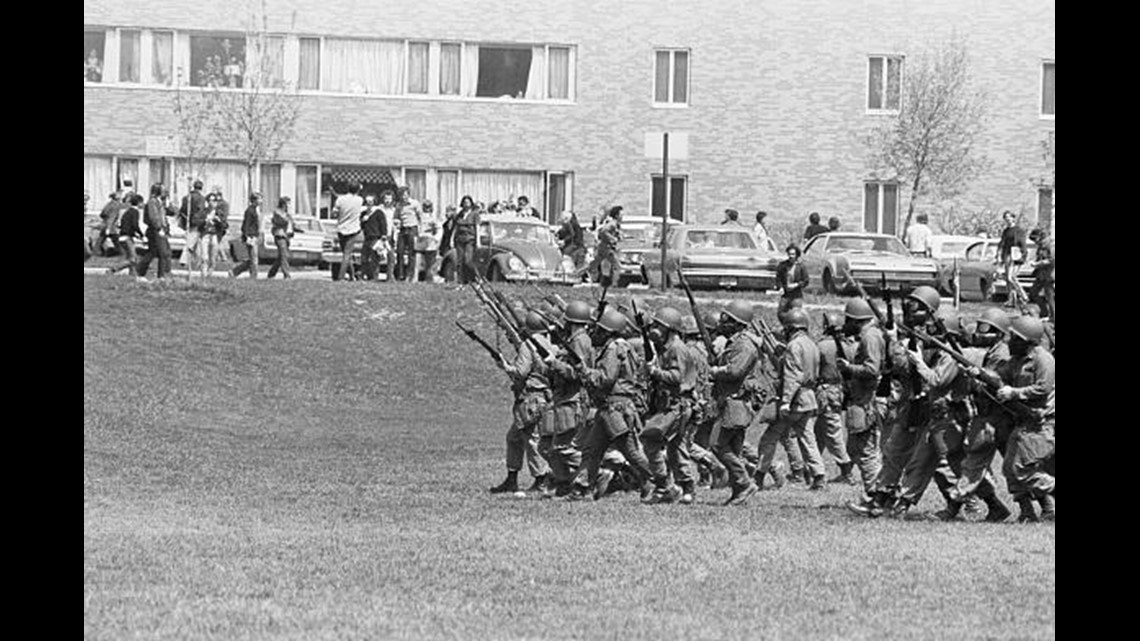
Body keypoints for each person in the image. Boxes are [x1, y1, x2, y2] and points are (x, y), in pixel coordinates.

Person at [564, 309, 655, 501]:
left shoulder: (613, 349)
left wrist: (583, 370)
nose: (595, 332)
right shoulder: (620, 346)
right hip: (608, 408)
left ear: (608, 331)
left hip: (616, 409)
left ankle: (659, 482)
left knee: (630, 452)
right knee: (591, 450)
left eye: (599, 329)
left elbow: (606, 379)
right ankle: (581, 489)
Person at [978, 316, 1055, 522]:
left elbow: (1043, 388)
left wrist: (1014, 393)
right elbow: (998, 376)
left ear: (1027, 341)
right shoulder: (1015, 360)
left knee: (1023, 471)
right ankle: (1028, 514)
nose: (1009, 341)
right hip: (1023, 423)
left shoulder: (1043, 359)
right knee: (1010, 470)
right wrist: (979, 373)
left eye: (1015, 338)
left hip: (1041, 423)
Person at [949, 308, 1014, 522]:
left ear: (998, 332)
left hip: (997, 418)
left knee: (1015, 468)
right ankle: (955, 506)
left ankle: (1044, 506)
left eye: (985, 329)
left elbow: (998, 382)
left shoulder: (1001, 353)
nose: (979, 333)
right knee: (977, 462)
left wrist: (980, 377)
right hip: (989, 417)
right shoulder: (993, 351)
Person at [755, 308, 827, 490]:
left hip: (795, 400)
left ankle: (758, 476)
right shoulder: (811, 344)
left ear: (790, 328)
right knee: (808, 440)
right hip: (809, 398)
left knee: (769, 438)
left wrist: (786, 401)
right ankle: (819, 477)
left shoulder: (794, 346)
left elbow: (792, 375)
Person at [489, 313, 554, 495]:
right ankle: (512, 479)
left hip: (530, 399)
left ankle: (541, 479)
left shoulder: (529, 345)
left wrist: (505, 366)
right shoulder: (551, 345)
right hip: (543, 398)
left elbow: (521, 372)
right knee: (514, 438)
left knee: (531, 440)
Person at [640, 307, 699, 504]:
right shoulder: (666, 347)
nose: (655, 329)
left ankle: (664, 486)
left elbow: (676, 377)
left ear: (669, 329)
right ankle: (686, 487)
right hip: (672, 404)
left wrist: (654, 371)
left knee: (650, 440)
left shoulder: (677, 348)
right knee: (676, 448)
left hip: (677, 405)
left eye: (659, 326)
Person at [710, 301, 764, 506]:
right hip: (732, 402)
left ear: (738, 323)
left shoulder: (744, 344)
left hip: (736, 403)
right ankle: (738, 491)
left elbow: (735, 371)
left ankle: (743, 483)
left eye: (728, 320)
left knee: (717, 444)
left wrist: (715, 371)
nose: (723, 323)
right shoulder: (735, 342)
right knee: (733, 448)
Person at [541, 300, 595, 498]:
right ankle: (564, 483)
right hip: (565, 398)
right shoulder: (575, 339)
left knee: (562, 448)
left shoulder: (580, 341)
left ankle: (594, 471)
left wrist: (555, 363)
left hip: (574, 399)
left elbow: (577, 373)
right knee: (552, 448)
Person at [836, 299, 886, 500]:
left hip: (867, 400)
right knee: (858, 449)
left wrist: (848, 367)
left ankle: (875, 496)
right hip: (862, 398)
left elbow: (872, 369)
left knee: (866, 451)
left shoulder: (869, 338)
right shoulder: (869, 336)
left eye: (848, 319)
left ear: (855, 320)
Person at [816, 312, 854, 484]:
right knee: (820, 431)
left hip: (826, 390)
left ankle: (846, 469)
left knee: (832, 431)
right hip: (839, 390)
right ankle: (812, 467)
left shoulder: (821, 346)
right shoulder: (848, 346)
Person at [136, 183, 173, 279]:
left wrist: (169, 204)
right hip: (155, 230)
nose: (165, 191)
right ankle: (161, 275)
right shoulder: (153, 202)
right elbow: (154, 216)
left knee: (154, 252)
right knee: (163, 253)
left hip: (162, 230)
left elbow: (172, 212)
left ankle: (142, 272)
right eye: (163, 189)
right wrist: (159, 228)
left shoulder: (161, 202)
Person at [107, 194, 145, 278]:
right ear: (139, 203)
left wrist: (135, 235)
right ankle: (114, 269)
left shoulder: (127, 212)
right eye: (142, 203)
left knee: (130, 257)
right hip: (127, 238)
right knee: (133, 259)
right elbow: (135, 225)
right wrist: (141, 235)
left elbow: (125, 225)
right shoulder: (135, 212)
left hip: (122, 237)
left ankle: (133, 275)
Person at [334, 183, 364, 282]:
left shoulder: (340, 199)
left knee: (346, 253)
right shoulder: (359, 200)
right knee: (347, 254)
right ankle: (341, 277)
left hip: (341, 228)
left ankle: (352, 275)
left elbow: (334, 213)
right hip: (353, 229)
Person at [997, 210, 1028, 306]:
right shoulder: (1006, 231)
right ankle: (1011, 299)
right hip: (1007, 254)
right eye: (1006, 218)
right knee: (1008, 278)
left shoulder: (1019, 230)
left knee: (1011, 277)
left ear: (1013, 218)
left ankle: (1023, 294)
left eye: (1009, 217)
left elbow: (1022, 244)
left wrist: (1023, 255)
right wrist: (999, 255)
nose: (1007, 219)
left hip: (1016, 255)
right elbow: (1002, 243)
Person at [230, 193, 263, 279]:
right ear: (254, 200)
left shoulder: (256, 210)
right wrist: (247, 235)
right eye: (259, 199)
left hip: (254, 235)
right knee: (254, 258)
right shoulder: (250, 210)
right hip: (250, 236)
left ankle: (235, 271)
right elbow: (246, 224)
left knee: (253, 258)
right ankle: (253, 276)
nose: (261, 201)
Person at [394, 186, 423, 282]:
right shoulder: (399, 205)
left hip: (412, 229)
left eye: (405, 195)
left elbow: (420, 217)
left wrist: (420, 230)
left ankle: (410, 275)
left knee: (412, 253)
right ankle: (400, 274)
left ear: (408, 195)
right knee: (400, 252)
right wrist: (397, 223)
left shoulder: (414, 204)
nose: (403, 197)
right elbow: (396, 217)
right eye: (402, 195)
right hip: (402, 229)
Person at [1027, 227, 1055, 322]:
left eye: (1035, 239)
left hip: (1049, 275)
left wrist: (1038, 264)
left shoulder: (1051, 245)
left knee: (1049, 296)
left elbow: (1052, 260)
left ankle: (1053, 317)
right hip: (1040, 275)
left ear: (1040, 236)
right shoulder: (1040, 246)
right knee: (1033, 293)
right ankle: (1044, 313)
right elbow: (1039, 257)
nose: (1035, 242)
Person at [179, 180, 207, 272]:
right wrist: (201, 221)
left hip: (187, 222)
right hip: (196, 223)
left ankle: (198, 262)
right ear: (201, 188)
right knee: (191, 242)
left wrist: (186, 220)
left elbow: (182, 210)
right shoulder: (201, 198)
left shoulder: (186, 197)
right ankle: (184, 260)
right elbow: (200, 211)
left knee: (195, 242)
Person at [360, 194, 390, 281]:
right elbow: (361, 226)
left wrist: (384, 235)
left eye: (370, 201)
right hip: (367, 237)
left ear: (374, 202)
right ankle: (365, 275)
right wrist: (362, 221)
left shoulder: (378, 212)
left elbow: (383, 224)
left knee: (374, 258)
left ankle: (374, 276)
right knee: (364, 257)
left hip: (376, 237)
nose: (368, 203)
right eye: (367, 201)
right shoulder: (364, 213)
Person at [593, 206, 623, 287]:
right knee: (617, 266)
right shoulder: (612, 223)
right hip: (606, 248)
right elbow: (603, 231)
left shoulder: (616, 224)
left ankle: (604, 283)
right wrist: (613, 239)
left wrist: (618, 236)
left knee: (604, 266)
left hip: (606, 248)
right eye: (621, 214)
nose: (622, 216)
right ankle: (614, 285)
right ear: (616, 215)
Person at [453, 195, 480, 284]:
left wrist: (478, 241)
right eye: (464, 202)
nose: (466, 204)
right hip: (460, 239)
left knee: (468, 260)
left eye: (468, 202)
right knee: (460, 262)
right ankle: (461, 281)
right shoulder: (460, 214)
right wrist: (451, 239)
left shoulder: (475, 214)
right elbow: (456, 227)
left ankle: (475, 277)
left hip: (470, 239)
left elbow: (477, 227)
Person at [775, 244, 809, 313]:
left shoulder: (801, 266)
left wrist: (796, 285)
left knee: (796, 314)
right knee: (781, 313)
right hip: (785, 294)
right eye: (789, 254)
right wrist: (780, 287)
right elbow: (778, 278)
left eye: (793, 254)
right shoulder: (782, 266)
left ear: (796, 255)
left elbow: (806, 281)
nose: (791, 256)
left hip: (796, 296)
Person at [266, 197, 294, 280]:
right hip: (279, 236)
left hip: (286, 236)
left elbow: (292, 223)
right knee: (283, 256)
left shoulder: (287, 214)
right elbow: (282, 221)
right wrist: (288, 216)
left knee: (281, 257)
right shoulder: (277, 212)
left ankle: (271, 274)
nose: (289, 205)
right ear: (283, 204)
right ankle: (287, 275)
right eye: (288, 203)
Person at [415, 200, 441, 282]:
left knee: (429, 262)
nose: (427, 208)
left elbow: (439, 229)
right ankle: (415, 278)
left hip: (430, 240)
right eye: (425, 207)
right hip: (420, 239)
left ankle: (429, 278)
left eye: (428, 207)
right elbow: (417, 226)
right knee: (417, 261)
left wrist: (436, 238)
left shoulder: (434, 217)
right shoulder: (419, 217)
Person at [99, 191, 125, 257]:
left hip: (104, 224)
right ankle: (122, 254)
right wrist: (108, 228)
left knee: (100, 241)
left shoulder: (109, 204)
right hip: (111, 226)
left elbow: (102, 214)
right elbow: (112, 218)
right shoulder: (116, 205)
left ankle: (97, 253)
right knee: (116, 241)